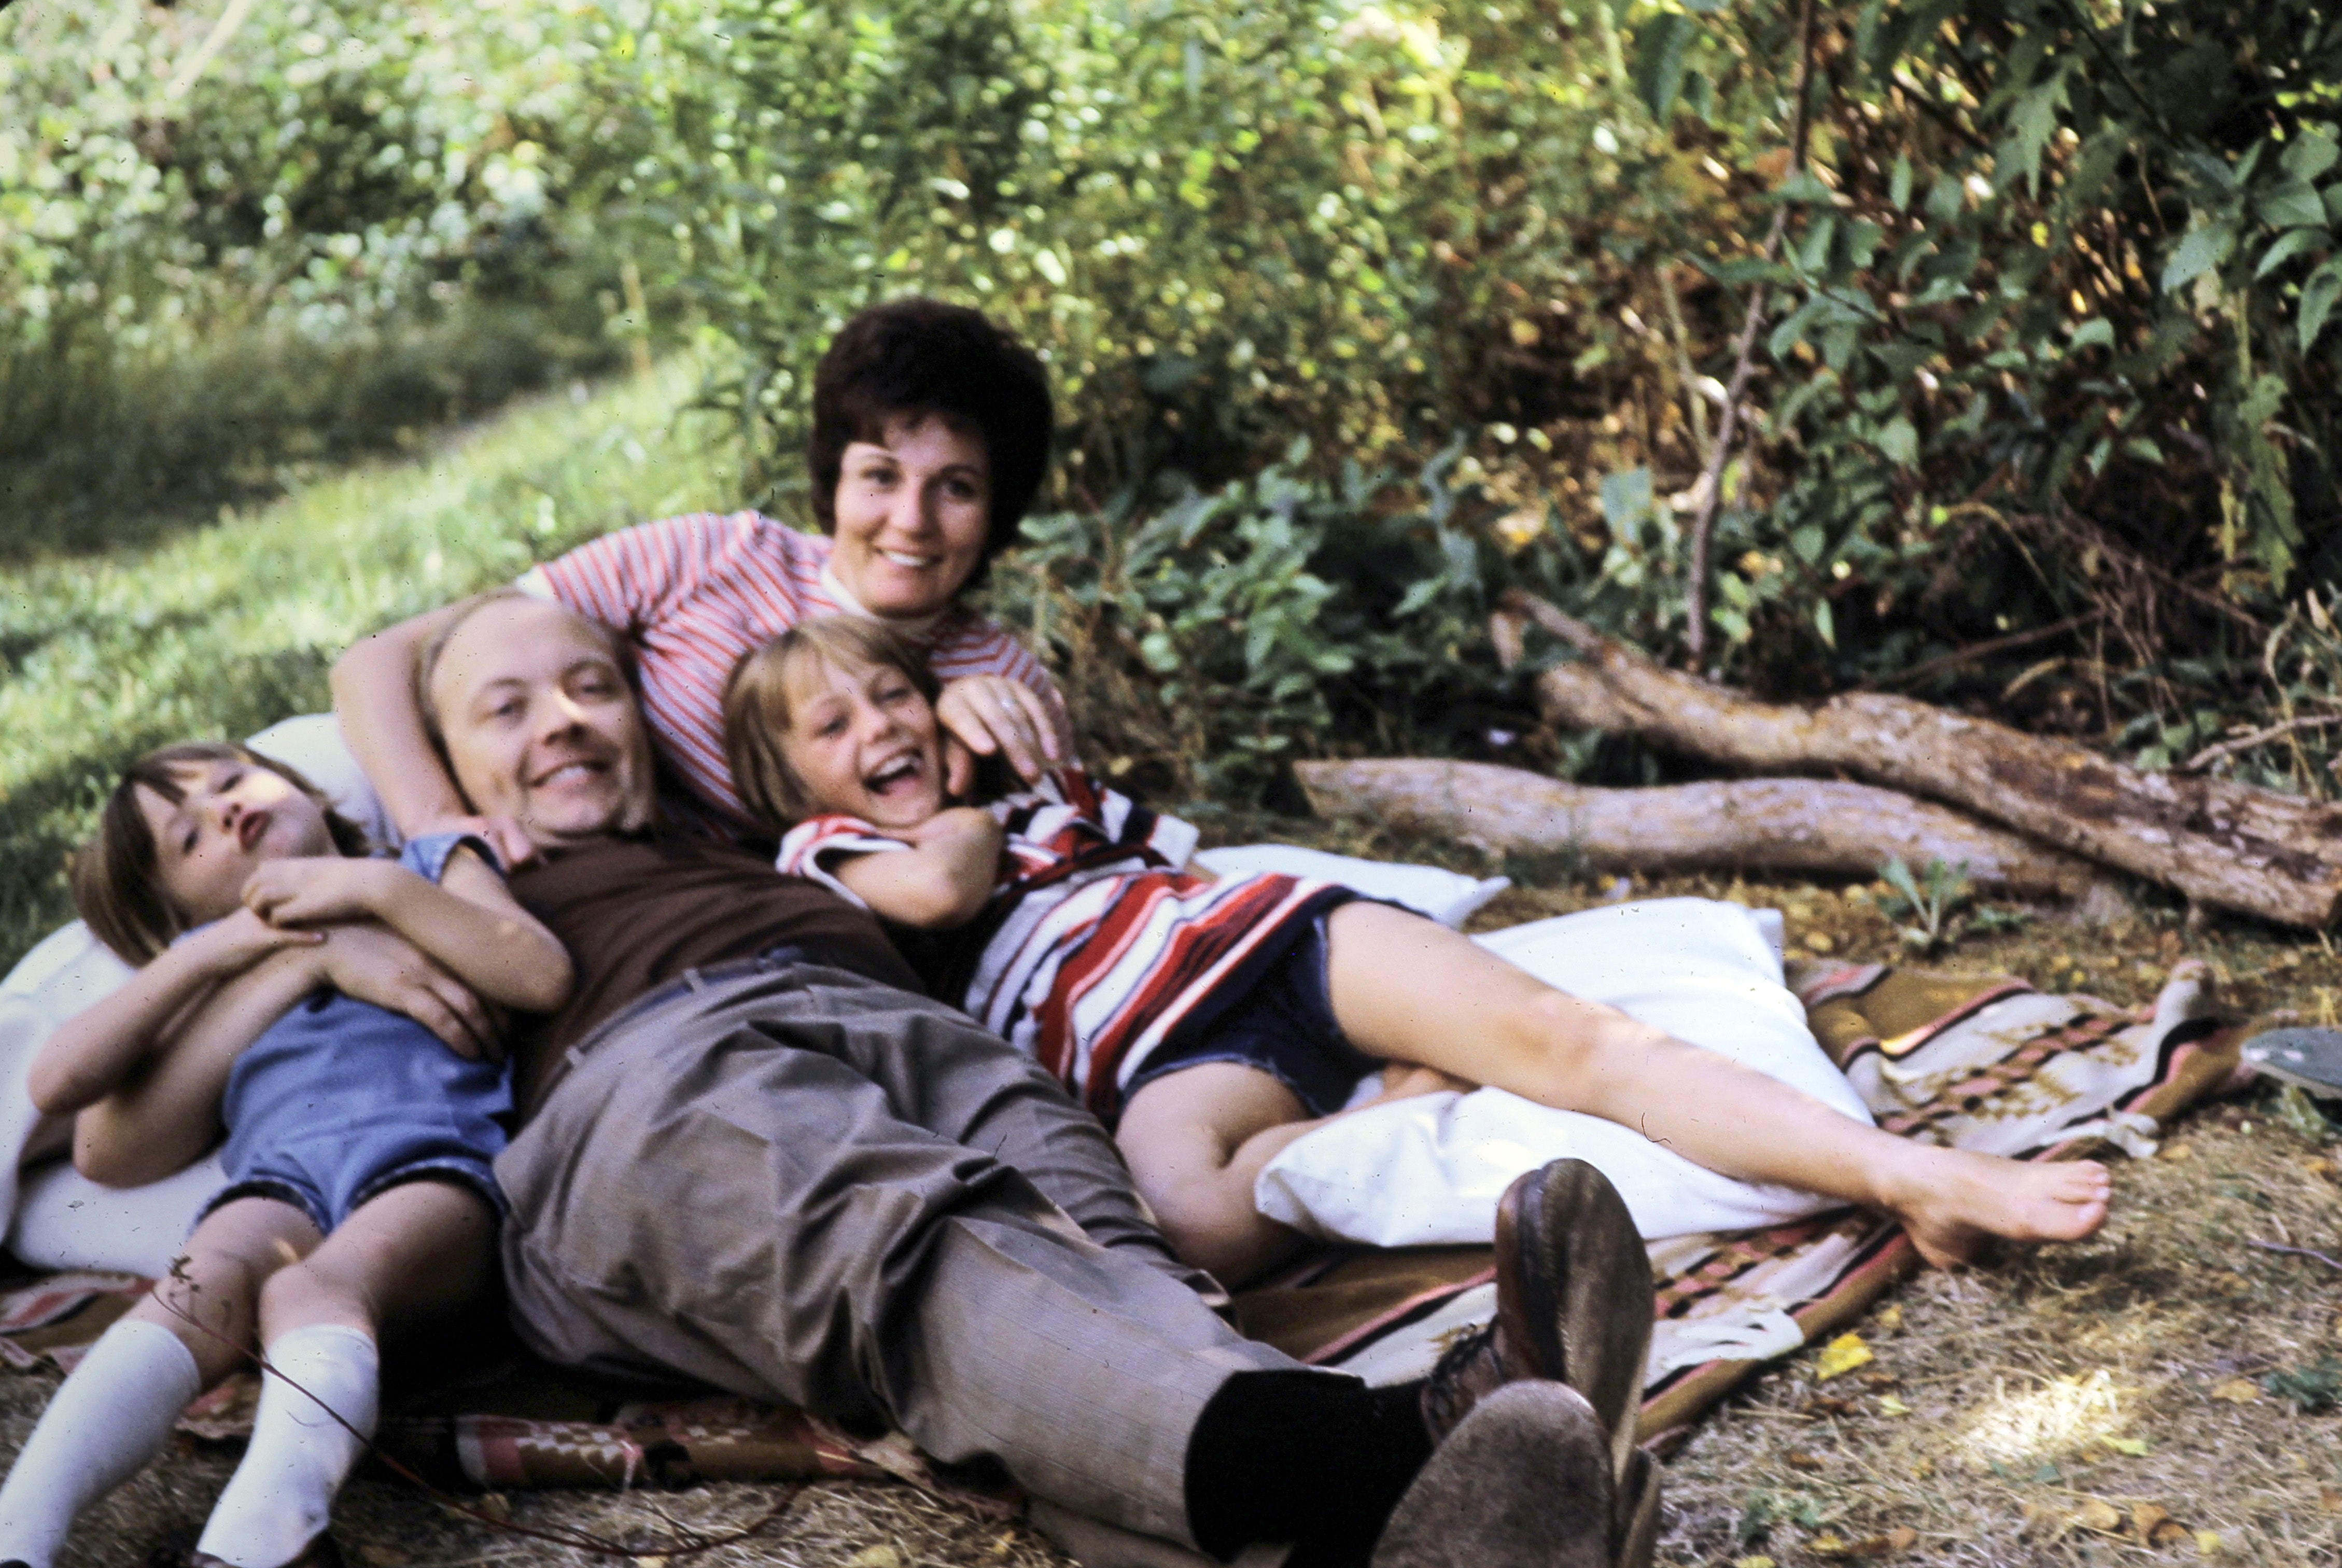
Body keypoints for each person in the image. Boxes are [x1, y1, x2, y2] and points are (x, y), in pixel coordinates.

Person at [414, 586, 1665, 1568]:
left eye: (590, 688)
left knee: (1108, 1260)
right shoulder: (427, 884)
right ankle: (1395, 1445)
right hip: (650, 1075)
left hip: (904, 1032)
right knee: (904, 1231)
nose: (566, 721)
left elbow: (891, 674)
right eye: (507, 710)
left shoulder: (742, 833)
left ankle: (1421, 1538)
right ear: (438, 770)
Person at [723, 617, 2119, 1284]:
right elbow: (929, 894)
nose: (880, 727)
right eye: (831, 727)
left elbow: (1202, 866)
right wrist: (967, 800)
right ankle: (1403, 1096)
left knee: (1584, 1046)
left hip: (1271, 946)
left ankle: (1907, 1174)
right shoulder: (834, 860)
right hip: (1159, 1056)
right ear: (791, 789)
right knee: (1195, 1221)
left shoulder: (1052, 797)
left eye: (892, 692)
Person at [0, 743, 570, 1568]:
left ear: (307, 788)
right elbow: (62, 1090)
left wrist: (373, 890)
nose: (227, 811)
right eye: (188, 841)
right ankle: (20, 1532)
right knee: (198, 1284)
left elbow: (537, 971)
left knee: (316, 1288)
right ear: (180, 913)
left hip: (435, 1166)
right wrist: (228, 947)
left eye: (232, 781)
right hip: (279, 1186)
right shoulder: (222, 972)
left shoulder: (424, 866)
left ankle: (264, 1544)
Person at [332, 297, 1075, 863]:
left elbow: (1053, 867)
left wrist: (980, 761)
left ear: (996, 511)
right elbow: (377, 659)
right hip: (564, 864)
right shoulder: (713, 557)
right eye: (880, 477)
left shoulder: (999, 679)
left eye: (955, 489)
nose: (911, 520)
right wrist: (439, 830)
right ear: (831, 479)